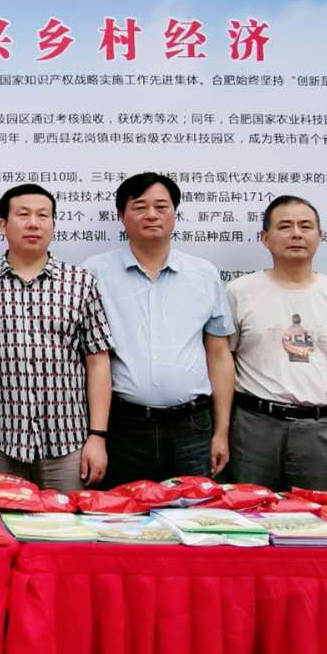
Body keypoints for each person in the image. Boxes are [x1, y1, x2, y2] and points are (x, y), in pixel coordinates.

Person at [0, 183, 114, 492]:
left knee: (65, 522)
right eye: (23, 215)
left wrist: (97, 437)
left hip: (68, 442)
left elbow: (98, 362)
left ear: (53, 224)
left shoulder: (81, 283)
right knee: (0, 519)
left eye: (43, 215)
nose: (33, 223)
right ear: (3, 225)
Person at [82, 172, 234, 486]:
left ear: (175, 214)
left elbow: (219, 356)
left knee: (192, 511)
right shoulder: (94, 273)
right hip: (124, 425)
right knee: (125, 513)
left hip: (192, 426)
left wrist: (221, 432)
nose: (151, 215)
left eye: (161, 207)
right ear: (121, 216)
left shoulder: (203, 274)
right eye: (140, 207)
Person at [226, 194, 327, 490]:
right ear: (264, 237)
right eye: (285, 226)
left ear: (321, 235)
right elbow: (222, 362)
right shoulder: (239, 292)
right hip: (253, 426)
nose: (296, 233)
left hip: (320, 430)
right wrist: (220, 433)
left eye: (306, 226)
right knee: (249, 512)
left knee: (315, 515)